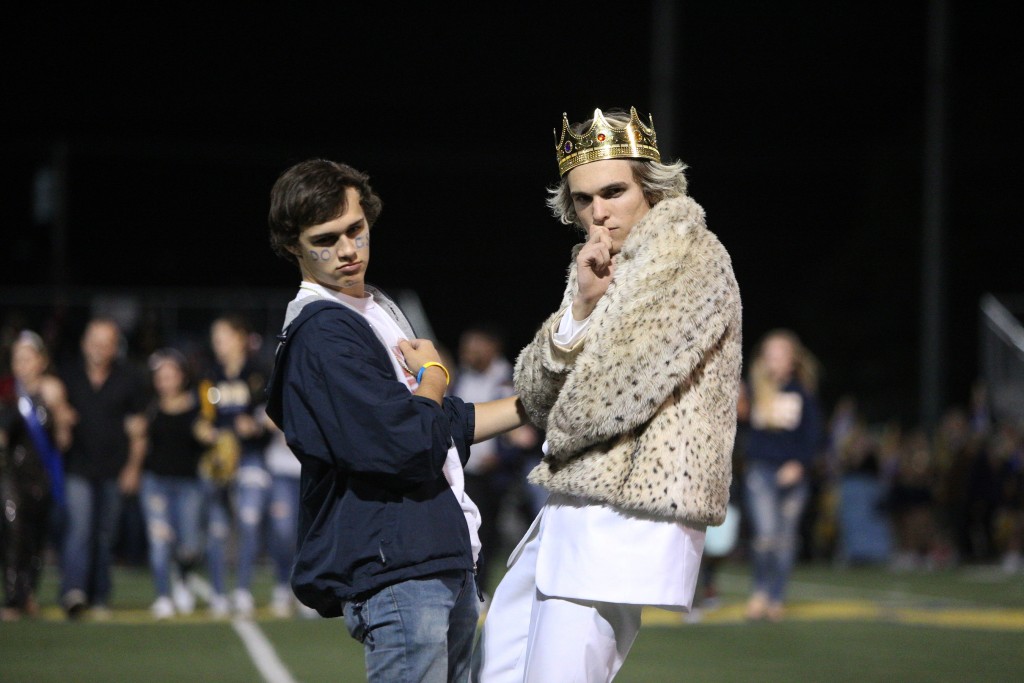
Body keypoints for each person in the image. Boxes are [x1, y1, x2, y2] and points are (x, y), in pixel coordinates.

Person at [477, 107, 743, 682]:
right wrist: (579, 309)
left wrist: (552, 425)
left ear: (649, 184)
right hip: (575, 504)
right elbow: (531, 391)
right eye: (582, 199)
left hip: (628, 513)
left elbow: (606, 397)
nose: (598, 211)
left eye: (614, 191)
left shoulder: (689, 255)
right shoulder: (600, 267)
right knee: (494, 666)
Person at [264, 158, 527, 683]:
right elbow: (406, 440)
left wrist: (538, 403)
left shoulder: (373, 309)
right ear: (292, 244)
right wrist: (433, 372)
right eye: (326, 237)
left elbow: (441, 426)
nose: (346, 250)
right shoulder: (323, 331)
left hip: (436, 557)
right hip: (399, 567)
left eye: (356, 229)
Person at [58, 316, 148, 619]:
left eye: (106, 343)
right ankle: (74, 590)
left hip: (114, 468)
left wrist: (133, 468)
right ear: (85, 344)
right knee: (79, 529)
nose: (99, 348)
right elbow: (53, 404)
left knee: (105, 535)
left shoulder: (128, 378)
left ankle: (99, 594)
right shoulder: (68, 375)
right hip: (78, 467)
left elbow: (137, 429)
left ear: (114, 347)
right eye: (95, 341)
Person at [740, 328, 824, 622]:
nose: (774, 360)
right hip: (761, 471)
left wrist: (799, 464)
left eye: (780, 354)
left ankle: (776, 597)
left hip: (793, 473)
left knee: (786, 538)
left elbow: (814, 436)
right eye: (769, 354)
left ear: (792, 360)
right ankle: (759, 593)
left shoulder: (803, 393)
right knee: (765, 535)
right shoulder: (752, 389)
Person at [194, 313, 272, 618]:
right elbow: (201, 419)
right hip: (218, 460)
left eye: (223, 337)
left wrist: (254, 423)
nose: (218, 344)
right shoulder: (209, 376)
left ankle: (241, 590)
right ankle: (217, 592)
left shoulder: (259, 373)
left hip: (251, 456)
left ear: (240, 338)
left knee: (249, 521)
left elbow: (273, 415)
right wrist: (206, 431)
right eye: (215, 339)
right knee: (217, 529)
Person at [0, 330, 75, 620]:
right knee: (13, 531)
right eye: (18, 359)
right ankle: (12, 598)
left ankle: (28, 593)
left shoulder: (53, 390)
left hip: (42, 473)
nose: (23, 365)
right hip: (11, 474)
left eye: (28, 358)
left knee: (35, 536)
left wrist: (61, 414)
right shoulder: (8, 391)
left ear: (41, 361)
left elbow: (63, 441)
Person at [138, 348, 207, 619]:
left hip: (188, 484)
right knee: (159, 542)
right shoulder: (149, 407)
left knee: (189, 545)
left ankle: (183, 579)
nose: (165, 380)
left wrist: (209, 435)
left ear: (181, 376)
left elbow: (207, 433)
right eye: (160, 375)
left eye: (170, 374)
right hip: (155, 483)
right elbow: (141, 440)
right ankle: (163, 596)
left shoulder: (198, 405)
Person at [449, 324, 516, 595]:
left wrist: (501, 457)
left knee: (490, 533)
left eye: (475, 347)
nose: (468, 353)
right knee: (466, 530)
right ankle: (469, 588)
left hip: (500, 475)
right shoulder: (460, 378)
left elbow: (525, 429)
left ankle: (486, 590)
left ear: (492, 347)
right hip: (467, 472)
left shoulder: (508, 379)